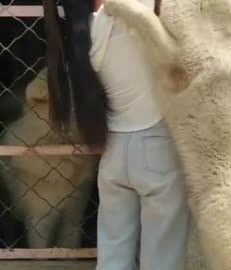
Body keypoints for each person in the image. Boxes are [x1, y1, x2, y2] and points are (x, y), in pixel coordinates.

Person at [42, 0, 189, 269]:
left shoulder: (86, 26)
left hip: (114, 152)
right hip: (157, 149)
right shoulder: (137, 14)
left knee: (112, 258)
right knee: (162, 259)